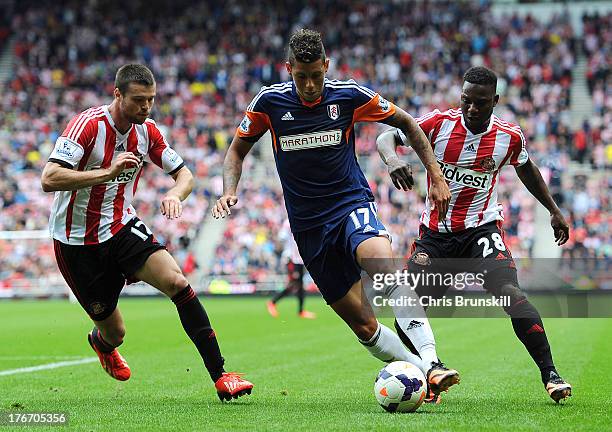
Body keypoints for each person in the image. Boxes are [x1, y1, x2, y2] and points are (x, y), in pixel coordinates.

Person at [212, 29, 459, 401]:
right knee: (363, 324)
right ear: (288, 68)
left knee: (382, 263)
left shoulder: (348, 95)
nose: (310, 85)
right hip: (309, 227)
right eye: (301, 76)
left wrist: (436, 175)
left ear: (326, 66)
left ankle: (432, 362)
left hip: (350, 204)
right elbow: (235, 153)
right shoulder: (268, 103)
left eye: (317, 75)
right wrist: (229, 190)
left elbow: (407, 122)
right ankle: (422, 375)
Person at [41, 64, 253, 401]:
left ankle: (222, 375)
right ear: (118, 95)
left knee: (177, 282)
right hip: (77, 242)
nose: (146, 107)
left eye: (151, 100)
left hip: (121, 226)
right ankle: (101, 342)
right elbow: (49, 178)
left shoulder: (148, 132)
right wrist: (106, 173)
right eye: (139, 100)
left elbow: (185, 176)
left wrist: (174, 194)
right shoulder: (88, 126)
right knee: (116, 332)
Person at [376, 66, 572, 403]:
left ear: (494, 101)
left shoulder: (508, 136)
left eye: (480, 103)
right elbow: (386, 136)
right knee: (406, 302)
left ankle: (550, 374)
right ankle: (428, 373)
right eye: (466, 100)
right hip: (436, 235)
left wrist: (553, 209)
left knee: (511, 293)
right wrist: (393, 159)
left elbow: (526, 168)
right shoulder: (439, 124)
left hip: (482, 230)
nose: (471, 108)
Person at [267, 220, 316, 319]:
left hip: (299, 259)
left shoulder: (300, 219)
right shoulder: (288, 223)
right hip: (291, 258)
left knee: (300, 286)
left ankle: (301, 311)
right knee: (293, 284)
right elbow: (282, 238)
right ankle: (272, 302)